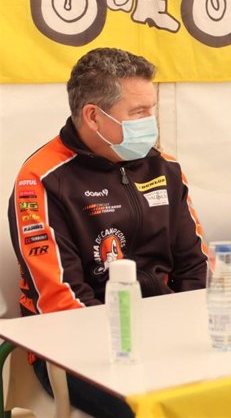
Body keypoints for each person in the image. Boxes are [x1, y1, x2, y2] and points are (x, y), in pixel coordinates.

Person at [8, 47, 207, 418]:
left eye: (152, 108)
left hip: (169, 335)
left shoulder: (165, 166)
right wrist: (141, 350)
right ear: (93, 117)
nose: (152, 122)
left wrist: (186, 335)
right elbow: (62, 304)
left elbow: (195, 265)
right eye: (139, 112)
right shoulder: (41, 179)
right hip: (74, 351)